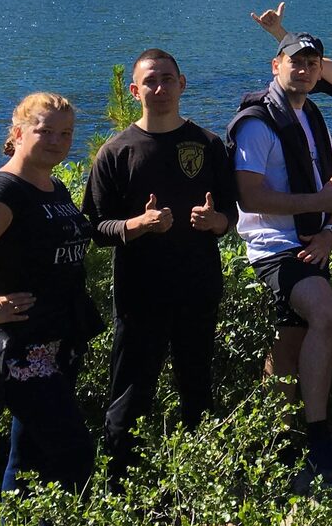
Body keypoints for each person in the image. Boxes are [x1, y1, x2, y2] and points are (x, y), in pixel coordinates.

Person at [82, 50, 238, 480]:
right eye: (150, 81)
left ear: (182, 84)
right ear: (135, 91)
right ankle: (120, 488)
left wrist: (216, 221)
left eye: (168, 79)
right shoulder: (116, 152)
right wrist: (138, 225)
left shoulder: (207, 146)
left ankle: (201, 485)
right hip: (140, 295)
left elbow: (232, 214)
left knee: (197, 388)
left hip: (198, 288)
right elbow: (95, 227)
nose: (160, 88)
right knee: (131, 394)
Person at [0, 93, 101, 492]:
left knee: (29, 451)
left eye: (66, 134)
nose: (57, 141)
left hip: (57, 338)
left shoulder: (54, 188)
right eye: (45, 131)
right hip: (22, 346)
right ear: (17, 133)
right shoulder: (4, 190)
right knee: (75, 451)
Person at [226, 32, 332, 483]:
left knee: (289, 342)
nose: (303, 70)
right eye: (295, 62)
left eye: (312, 63)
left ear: (321, 70)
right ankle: (318, 438)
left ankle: (274, 440)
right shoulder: (257, 123)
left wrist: (329, 233)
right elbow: (251, 194)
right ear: (275, 65)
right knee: (327, 314)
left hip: (310, 242)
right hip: (273, 248)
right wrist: (315, 206)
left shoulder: (313, 116)